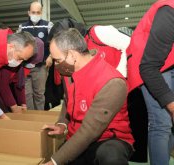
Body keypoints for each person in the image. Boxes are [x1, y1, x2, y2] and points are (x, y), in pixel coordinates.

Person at [42, 29, 134, 165]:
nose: (55, 65)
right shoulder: (69, 71)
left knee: (111, 157)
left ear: (72, 55)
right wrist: (62, 123)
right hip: (77, 137)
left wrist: (54, 162)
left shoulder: (112, 82)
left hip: (106, 139)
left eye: (57, 60)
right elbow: (68, 100)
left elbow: (90, 131)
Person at [126, 1, 174, 164]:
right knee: (162, 122)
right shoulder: (169, 11)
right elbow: (149, 67)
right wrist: (171, 104)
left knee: (170, 124)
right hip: (149, 65)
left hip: (168, 60)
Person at [17, 1, 53, 110]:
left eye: (38, 12)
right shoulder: (22, 27)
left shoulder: (48, 25)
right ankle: (29, 118)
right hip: (25, 67)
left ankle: (39, 118)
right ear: (28, 12)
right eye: (33, 12)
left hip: (41, 67)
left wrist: (51, 56)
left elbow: (54, 42)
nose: (35, 14)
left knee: (39, 94)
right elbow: (17, 44)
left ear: (41, 12)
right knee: (27, 95)